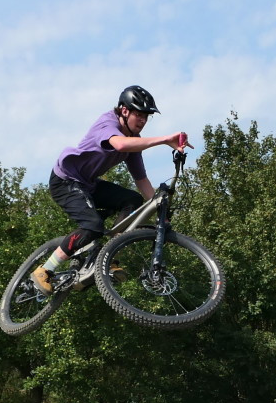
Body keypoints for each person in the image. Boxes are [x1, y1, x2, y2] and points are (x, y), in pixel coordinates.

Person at [32, 85, 191, 295]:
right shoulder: (107, 123)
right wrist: (164, 140)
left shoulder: (132, 142)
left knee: (132, 200)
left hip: (88, 184)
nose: (143, 121)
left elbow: (141, 179)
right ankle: (45, 270)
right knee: (93, 226)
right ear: (124, 111)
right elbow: (120, 145)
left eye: (146, 117)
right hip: (65, 181)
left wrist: (161, 209)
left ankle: (108, 255)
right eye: (139, 115)